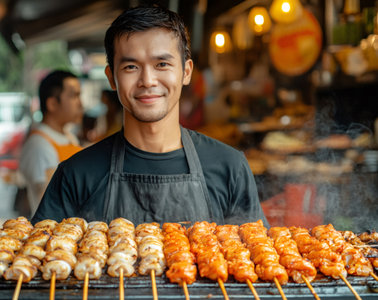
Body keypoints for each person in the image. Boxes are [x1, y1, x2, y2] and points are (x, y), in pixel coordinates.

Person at [31, 6, 267, 226]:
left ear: (186, 72)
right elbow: (40, 260)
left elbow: (256, 261)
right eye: (131, 67)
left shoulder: (229, 168)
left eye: (162, 64)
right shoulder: (76, 175)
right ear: (112, 78)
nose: (148, 81)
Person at [19, 70, 83, 216]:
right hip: (54, 232)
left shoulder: (69, 137)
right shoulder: (39, 144)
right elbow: (47, 199)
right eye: (74, 96)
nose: (81, 103)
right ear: (53, 103)